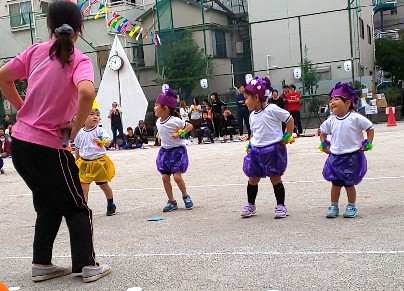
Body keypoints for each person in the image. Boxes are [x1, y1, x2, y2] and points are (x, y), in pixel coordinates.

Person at [0, 1, 110, 282]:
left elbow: (3, 78)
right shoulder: (79, 59)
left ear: (49, 26)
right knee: (77, 206)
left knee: (48, 205)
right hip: (48, 145)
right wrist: (74, 130)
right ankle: (87, 265)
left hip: (21, 144)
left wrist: (24, 108)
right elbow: (86, 92)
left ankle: (42, 264)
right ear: (80, 28)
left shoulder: (35, 51)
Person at [240, 77, 295, 219]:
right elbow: (254, 132)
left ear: (256, 97)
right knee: (252, 178)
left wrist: (287, 136)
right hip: (256, 150)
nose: (244, 102)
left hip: (273, 149)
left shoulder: (272, 109)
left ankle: (281, 205)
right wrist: (250, 143)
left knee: (275, 178)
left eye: (246, 98)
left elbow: (289, 118)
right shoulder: (252, 115)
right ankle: (250, 204)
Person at [319, 82, 374, 219]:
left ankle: (351, 205)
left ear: (348, 103)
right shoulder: (331, 120)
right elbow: (322, 132)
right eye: (331, 100)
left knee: (349, 184)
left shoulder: (355, 118)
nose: (332, 102)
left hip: (352, 156)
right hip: (335, 157)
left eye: (336, 99)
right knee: (335, 184)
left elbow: (370, 128)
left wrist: (368, 142)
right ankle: (333, 205)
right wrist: (324, 144)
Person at [154, 88, 194, 212]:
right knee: (165, 177)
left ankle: (185, 196)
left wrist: (180, 133)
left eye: (156, 105)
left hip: (177, 151)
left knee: (177, 177)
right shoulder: (158, 122)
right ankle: (171, 201)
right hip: (164, 152)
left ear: (165, 108)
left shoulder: (175, 121)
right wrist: (159, 137)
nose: (154, 108)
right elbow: (161, 131)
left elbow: (190, 126)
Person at [74, 107, 117, 217]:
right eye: (91, 114)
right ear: (83, 117)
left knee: (104, 185)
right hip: (84, 163)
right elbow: (78, 149)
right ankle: (84, 209)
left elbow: (108, 142)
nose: (95, 117)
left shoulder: (100, 131)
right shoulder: (79, 133)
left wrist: (101, 141)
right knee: (83, 188)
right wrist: (75, 163)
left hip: (99, 163)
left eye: (97, 115)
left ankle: (111, 204)